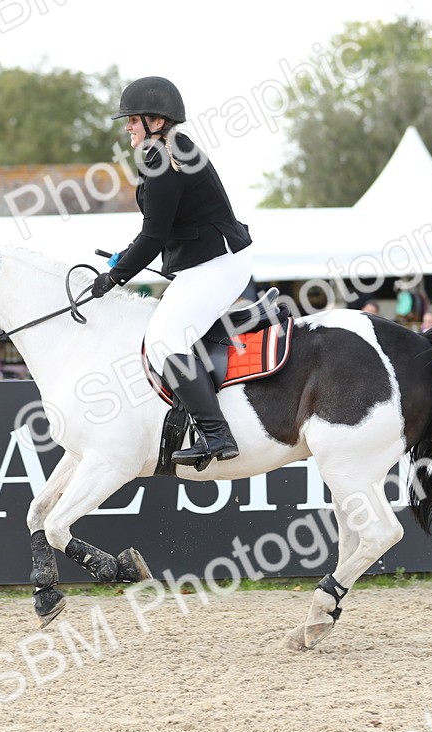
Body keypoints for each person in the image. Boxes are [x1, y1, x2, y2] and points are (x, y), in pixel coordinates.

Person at [92, 77, 252, 468]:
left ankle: (216, 435)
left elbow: (154, 234)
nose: (127, 127)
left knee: (164, 340)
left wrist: (114, 278)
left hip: (217, 262)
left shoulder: (162, 158)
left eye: (132, 120)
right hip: (211, 260)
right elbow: (160, 231)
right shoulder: (170, 149)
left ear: (156, 121)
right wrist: (125, 257)